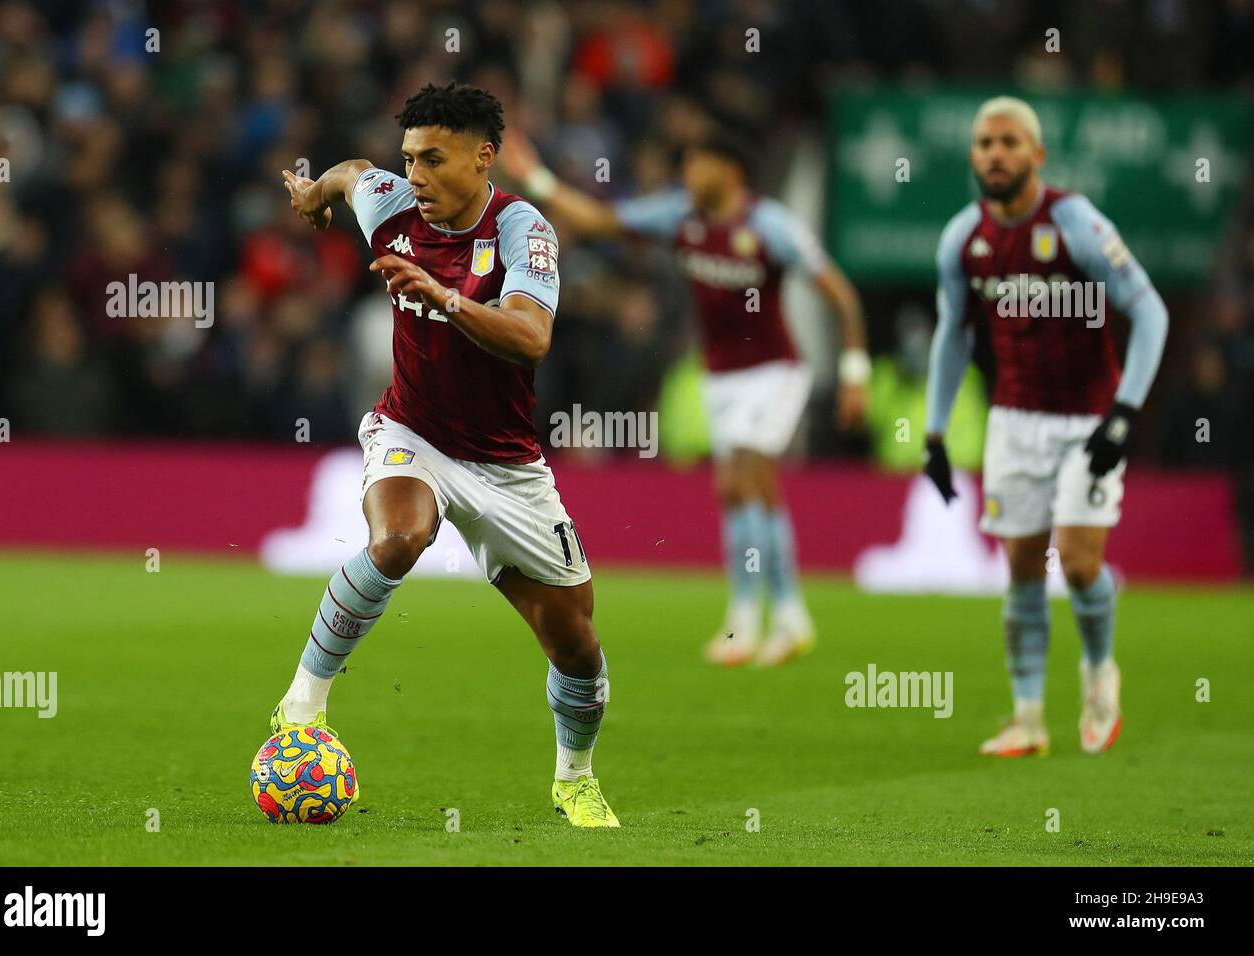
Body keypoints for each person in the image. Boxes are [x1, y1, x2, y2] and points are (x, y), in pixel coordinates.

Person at [275, 82, 619, 826]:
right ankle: (302, 702)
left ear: (482, 157)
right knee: (398, 539)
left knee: (578, 647)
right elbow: (348, 172)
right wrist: (314, 195)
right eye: (410, 158)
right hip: (412, 432)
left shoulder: (524, 230)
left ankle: (575, 777)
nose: (416, 175)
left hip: (507, 466)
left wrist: (446, 298)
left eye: (433, 159)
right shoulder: (389, 203)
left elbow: (531, 336)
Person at [501, 128, 869, 666]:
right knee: (737, 489)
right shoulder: (680, 216)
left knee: (747, 476)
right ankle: (771, 616)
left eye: (699, 164)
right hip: (721, 376)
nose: (688, 174)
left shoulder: (768, 226)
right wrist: (535, 176)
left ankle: (767, 617)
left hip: (774, 370)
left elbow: (839, 292)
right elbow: (597, 220)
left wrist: (854, 371)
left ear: (731, 171)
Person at [923, 96, 1169, 756]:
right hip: (1013, 421)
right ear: (972, 155)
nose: (994, 153)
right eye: (983, 143)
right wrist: (935, 432)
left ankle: (1098, 675)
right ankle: (1028, 717)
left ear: (1037, 154)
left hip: (1087, 421)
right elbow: (953, 334)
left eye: (1009, 142)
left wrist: (1124, 412)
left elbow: (1150, 312)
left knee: (1082, 564)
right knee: (1023, 567)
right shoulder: (962, 238)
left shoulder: (1076, 223)